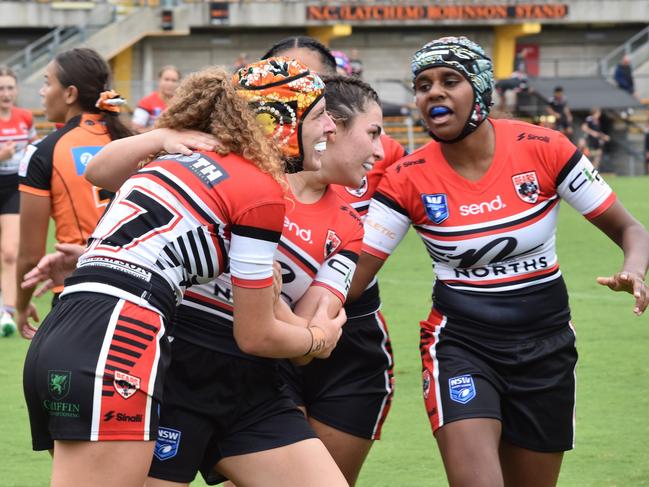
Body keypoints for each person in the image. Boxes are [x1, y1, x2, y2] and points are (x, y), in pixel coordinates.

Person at [22, 60, 347, 487]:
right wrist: (319, 337)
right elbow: (255, 333)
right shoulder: (259, 189)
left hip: (75, 327)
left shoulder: (180, 158)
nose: (330, 127)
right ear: (282, 117)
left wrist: (159, 136)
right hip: (119, 335)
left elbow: (101, 174)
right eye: (320, 112)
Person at [349, 36, 649, 487]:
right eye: (423, 84)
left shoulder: (544, 147)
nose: (434, 92)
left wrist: (635, 268)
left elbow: (631, 229)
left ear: (482, 88)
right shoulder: (405, 178)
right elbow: (354, 276)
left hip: (547, 347)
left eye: (450, 80)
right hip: (460, 345)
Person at [262, 36, 406, 485]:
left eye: (310, 83)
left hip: (347, 332)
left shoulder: (377, 151)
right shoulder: (246, 176)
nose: (299, 96)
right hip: (256, 338)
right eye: (283, 84)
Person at [15, 48, 132, 340]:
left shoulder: (44, 152)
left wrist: (21, 305)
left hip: (79, 292)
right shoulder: (134, 142)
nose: (42, 92)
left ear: (69, 93)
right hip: (139, 293)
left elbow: (30, 255)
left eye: (47, 82)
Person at [0, 65, 36, 336]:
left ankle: (7, 313)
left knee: (11, 252)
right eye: (1, 88)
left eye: (10, 87)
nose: (6, 93)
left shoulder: (25, 117)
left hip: (14, 187)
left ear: (17, 90)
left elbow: (35, 148)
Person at [131, 65, 181, 133]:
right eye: (166, 79)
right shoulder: (146, 102)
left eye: (174, 80)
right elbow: (136, 130)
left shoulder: (181, 103)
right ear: (159, 80)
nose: (170, 83)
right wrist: (160, 128)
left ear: (179, 83)